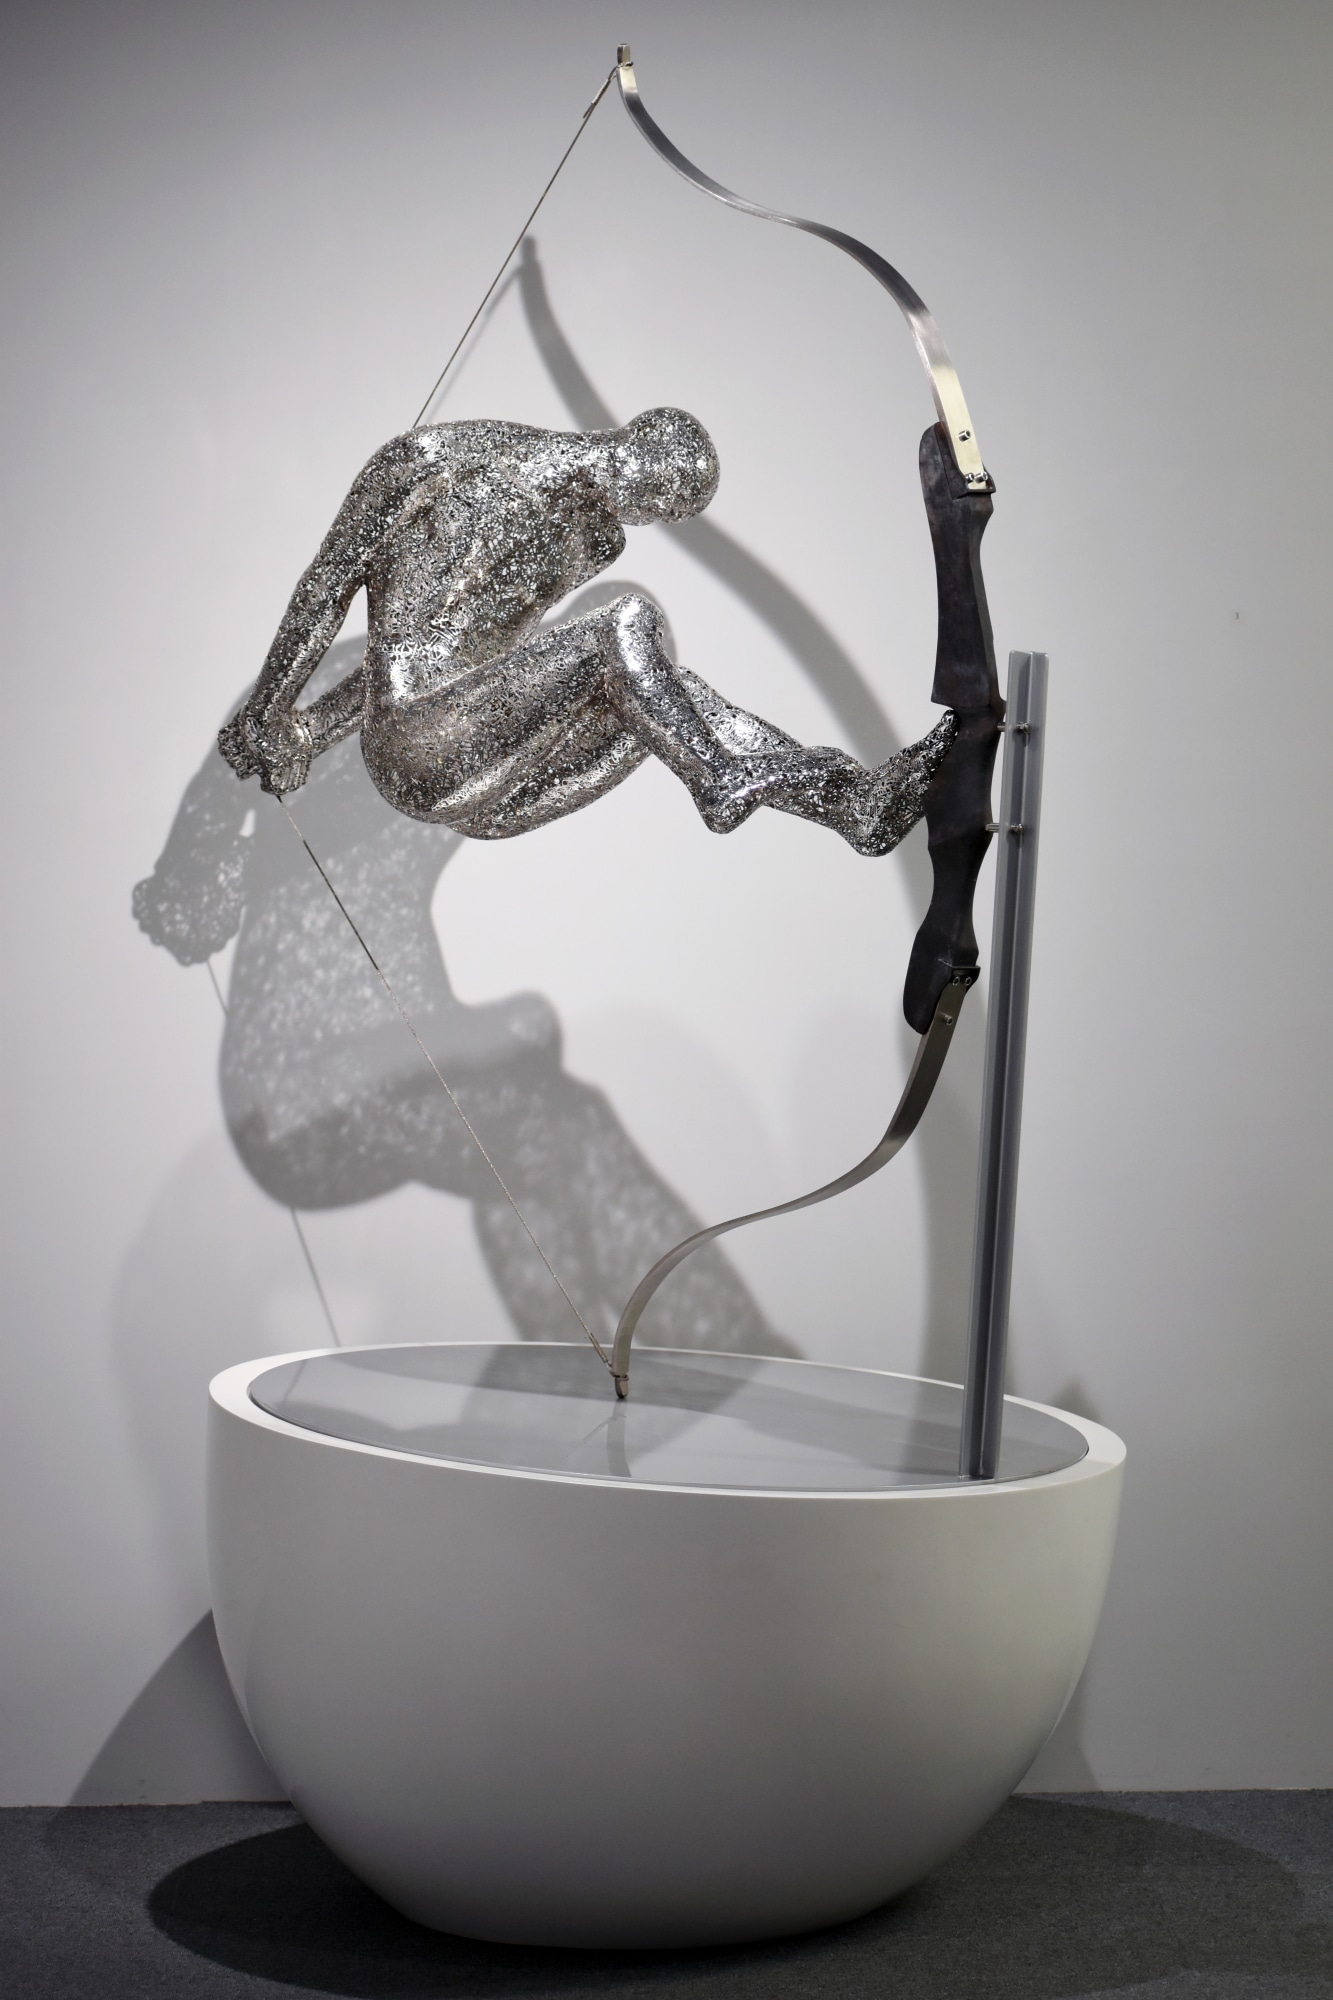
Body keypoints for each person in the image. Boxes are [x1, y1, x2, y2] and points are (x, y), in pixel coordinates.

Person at [219, 407, 954, 853]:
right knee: (628, 620)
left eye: (667, 513)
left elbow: (470, 665)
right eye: (658, 494)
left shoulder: (589, 539)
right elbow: (329, 587)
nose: (650, 515)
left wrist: (310, 732)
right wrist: (269, 712)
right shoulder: (439, 461)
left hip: (489, 784)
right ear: (638, 443)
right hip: (416, 750)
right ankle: (719, 778)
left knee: (669, 695)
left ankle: (851, 803)